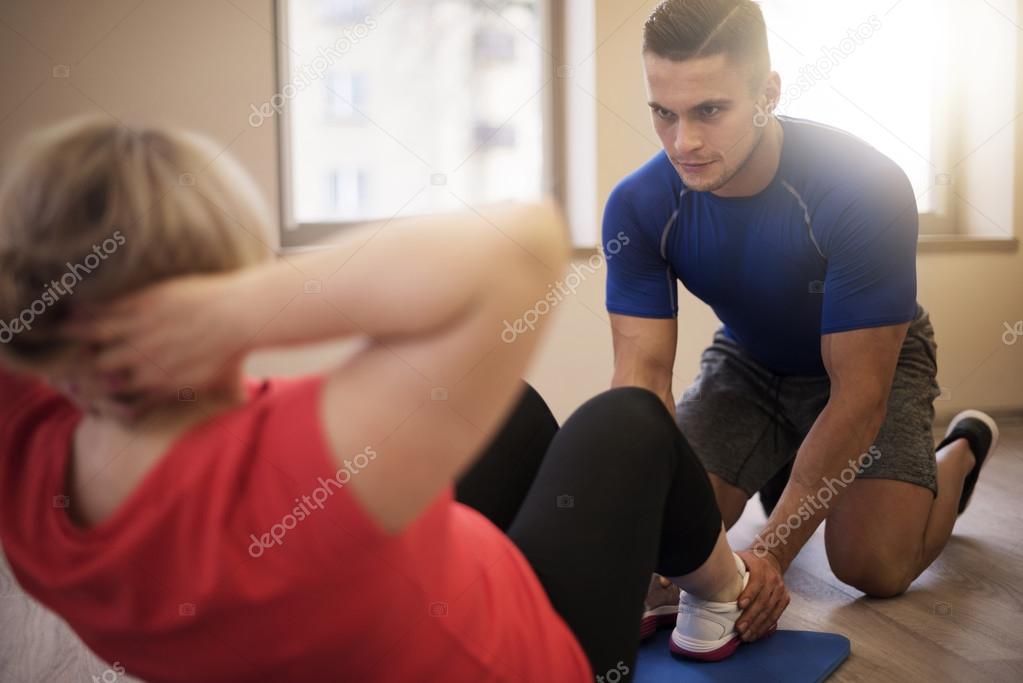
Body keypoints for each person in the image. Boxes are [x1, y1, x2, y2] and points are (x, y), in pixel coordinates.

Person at [0, 117, 769, 683]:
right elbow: (525, 238)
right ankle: (721, 591)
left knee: (509, 409)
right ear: (211, 288)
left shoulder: (28, 456)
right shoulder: (293, 470)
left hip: (406, 600)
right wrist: (239, 304)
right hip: (533, 658)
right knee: (625, 420)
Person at [607, 0, 1000, 643]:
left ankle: (957, 453)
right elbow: (638, 383)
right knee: (663, 542)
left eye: (710, 110)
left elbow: (859, 393)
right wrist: (639, 527)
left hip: (875, 364)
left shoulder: (862, 185)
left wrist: (772, 551)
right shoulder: (638, 205)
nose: (685, 142)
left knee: (872, 567)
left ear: (767, 94)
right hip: (748, 363)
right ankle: (788, 466)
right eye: (664, 113)